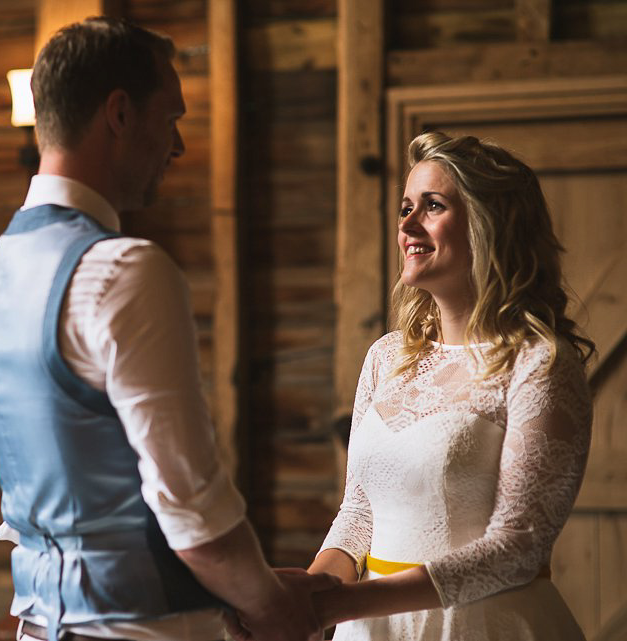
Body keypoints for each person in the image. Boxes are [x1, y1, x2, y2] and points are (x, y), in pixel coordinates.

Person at [0, 17, 337, 641]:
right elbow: (190, 508)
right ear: (120, 114)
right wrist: (270, 604)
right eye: (171, 118)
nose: (177, 145)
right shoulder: (124, 271)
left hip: (38, 625)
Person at [242, 132, 594, 641]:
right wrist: (311, 593)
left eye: (432, 206)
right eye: (406, 207)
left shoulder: (539, 364)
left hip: (485, 625)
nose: (407, 224)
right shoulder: (387, 357)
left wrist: (342, 604)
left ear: (490, 225)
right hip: (370, 627)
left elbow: (519, 547)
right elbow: (359, 510)